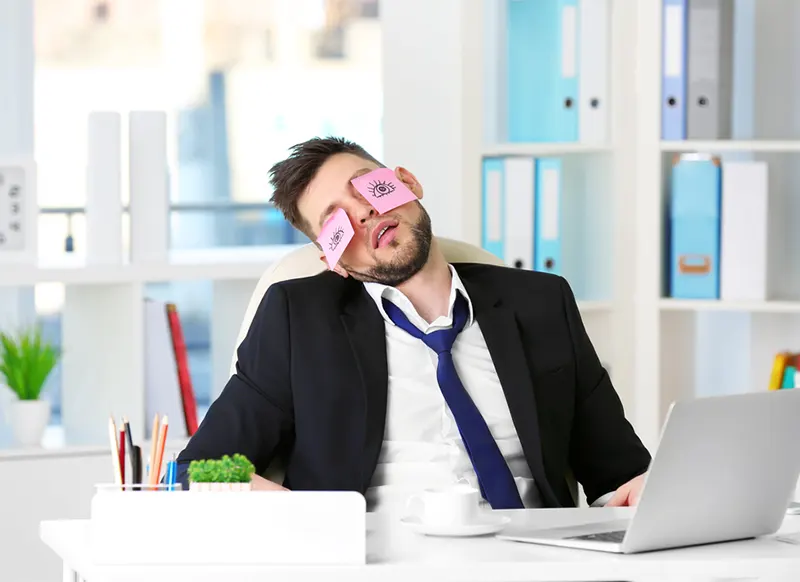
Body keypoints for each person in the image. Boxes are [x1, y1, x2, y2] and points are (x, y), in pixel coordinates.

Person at [176, 137, 651, 509]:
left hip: (532, 561)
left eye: (368, 187)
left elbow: (620, 476)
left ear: (406, 182)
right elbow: (203, 468)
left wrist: (647, 494)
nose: (363, 212)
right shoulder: (297, 318)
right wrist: (313, 524)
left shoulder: (542, 303)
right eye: (335, 221)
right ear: (331, 259)